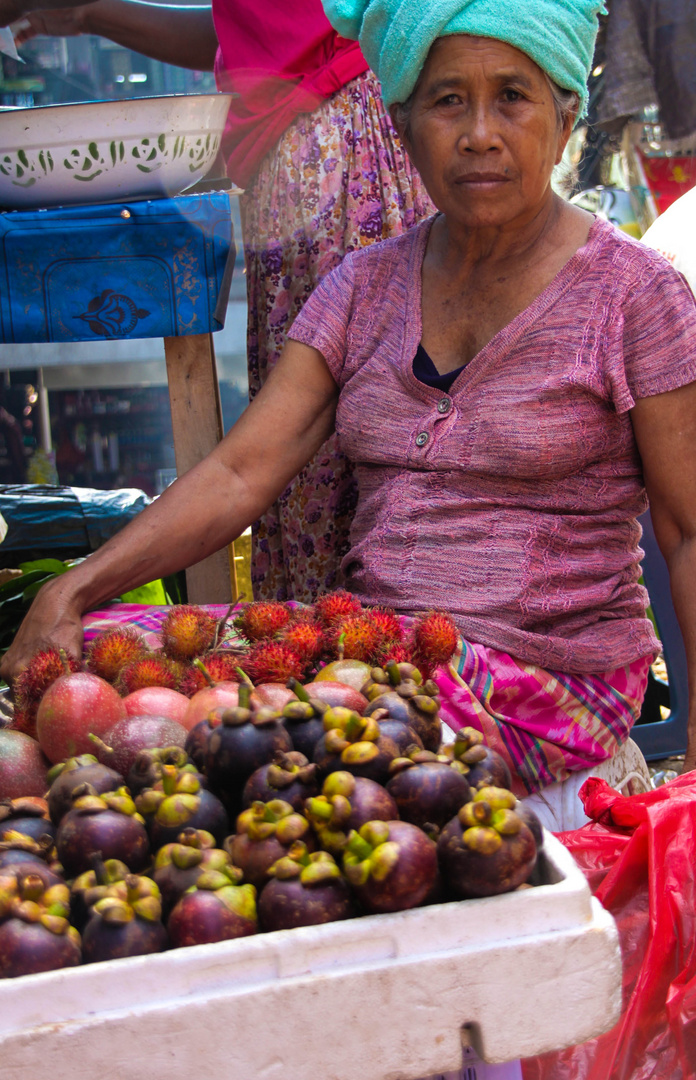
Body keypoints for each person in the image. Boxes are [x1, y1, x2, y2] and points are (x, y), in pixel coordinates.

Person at [4, 0, 696, 803]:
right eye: (447, 101)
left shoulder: (636, 295)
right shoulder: (361, 288)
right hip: (378, 653)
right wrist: (73, 588)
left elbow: (686, 532)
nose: (479, 132)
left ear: (566, 116)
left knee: (291, 728)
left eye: (513, 95)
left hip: (550, 677)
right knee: (101, 652)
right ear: (403, 126)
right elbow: (239, 471)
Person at [1, 0, 433, 603]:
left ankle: (394, 653)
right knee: (315, 446)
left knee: (350, 445)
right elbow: (247, 28)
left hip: (342, 146)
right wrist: (87, 15)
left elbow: (249, 470)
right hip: (314, 146)